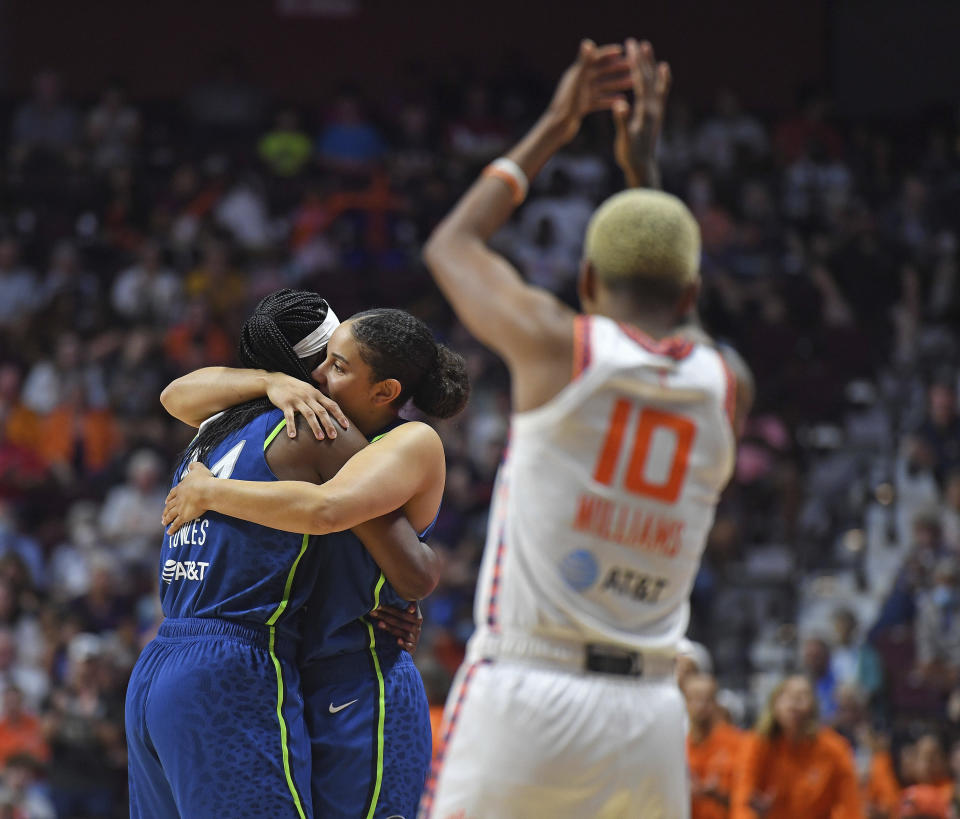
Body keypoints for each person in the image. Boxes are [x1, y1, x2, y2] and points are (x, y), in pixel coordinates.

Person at [418, 38, 753, 818]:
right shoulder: (728, 383)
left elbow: (451, 244)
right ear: (691, 288)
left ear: (588, 280)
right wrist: (646, 178)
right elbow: (687, 321)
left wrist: (556, 125)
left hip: (528, 689)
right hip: (648, 714)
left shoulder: (559, 346)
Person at [129, 292, 451, 818]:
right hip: (275, 669)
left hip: (346, 670)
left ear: (384, 387)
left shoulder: (222, 428)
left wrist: (210, 491)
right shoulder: (313, 427)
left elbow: (356, 530)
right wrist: (270, 382)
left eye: (340, 364)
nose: (324, 376)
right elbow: (408, 565)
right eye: (324, 360)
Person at [731, 675, 863, 819]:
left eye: (802, 695)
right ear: (774, 704)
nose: (794, 701)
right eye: (787, 695)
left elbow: (850, 806)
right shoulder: (756, 744)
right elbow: (741, 801)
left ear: (813, 706)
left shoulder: (835, 749)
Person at [684, 672, 744, 819]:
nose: (701, 706)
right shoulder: (678, 746)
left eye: (707, 700)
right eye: (694, 699)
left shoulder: (737, 742)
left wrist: (717, 794)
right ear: (685, 702)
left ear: (716, 703)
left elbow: (747, 797)